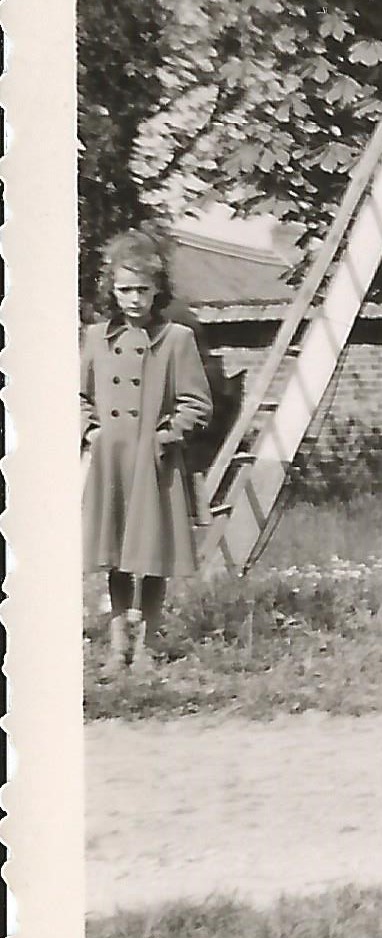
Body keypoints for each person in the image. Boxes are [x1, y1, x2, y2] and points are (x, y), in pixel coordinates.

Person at [81, 228, 214, 670]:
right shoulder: (97, 337)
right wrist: (91, 431)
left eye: (142, 289)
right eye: (124, 290)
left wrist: (169, 433)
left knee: (152, 554)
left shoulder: (177, 338)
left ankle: (149, 644)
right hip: (112, 461)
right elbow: (78, 396)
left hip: (155, 461)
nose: (133, 299)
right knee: (115, 555)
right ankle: (118, 644)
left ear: (157, 290)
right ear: (111, 290)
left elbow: (198, 402)